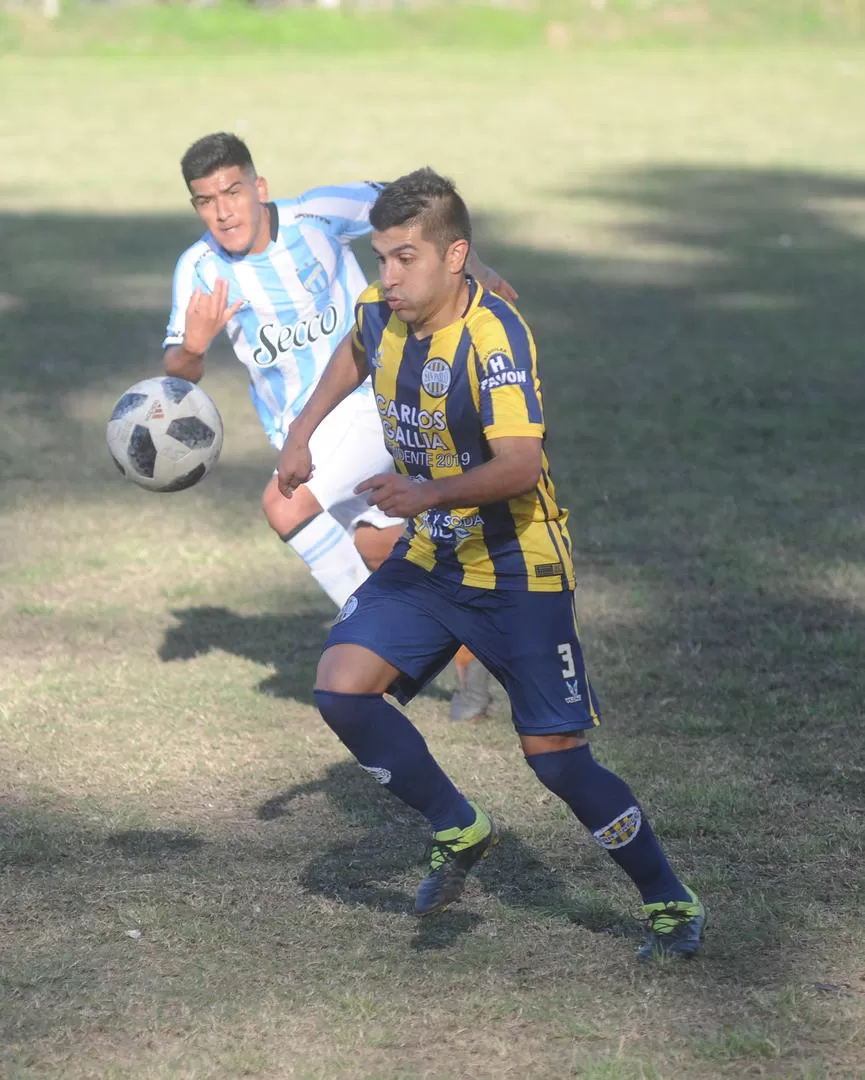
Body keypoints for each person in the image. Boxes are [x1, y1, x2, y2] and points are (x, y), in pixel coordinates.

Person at [277, 167, 706, 960]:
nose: (388, 276)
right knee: (341, 690)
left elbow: (519, 464)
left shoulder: (494, 336)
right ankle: (458, 825)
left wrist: (423, 492)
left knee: (558, 763)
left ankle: (669, 901)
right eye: (381, 258)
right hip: (432, 560)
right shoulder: (385, 312)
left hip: (519, 575)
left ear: (455, 257)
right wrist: (303, 432)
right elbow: (351, 347)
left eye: (406, 258)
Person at [163, 133, 507, 720]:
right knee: (383, 551)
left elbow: (418, 205)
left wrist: (476, 266)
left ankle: (372, 648)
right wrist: (194, 349)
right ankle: (487, 662)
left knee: (284, 504)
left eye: (233, 191)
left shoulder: (317, 215)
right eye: (205, 200)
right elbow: (178, 369)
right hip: (303, 431)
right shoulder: (199, 268)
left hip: (371, 394)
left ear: (258, 187)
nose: (223, 211)